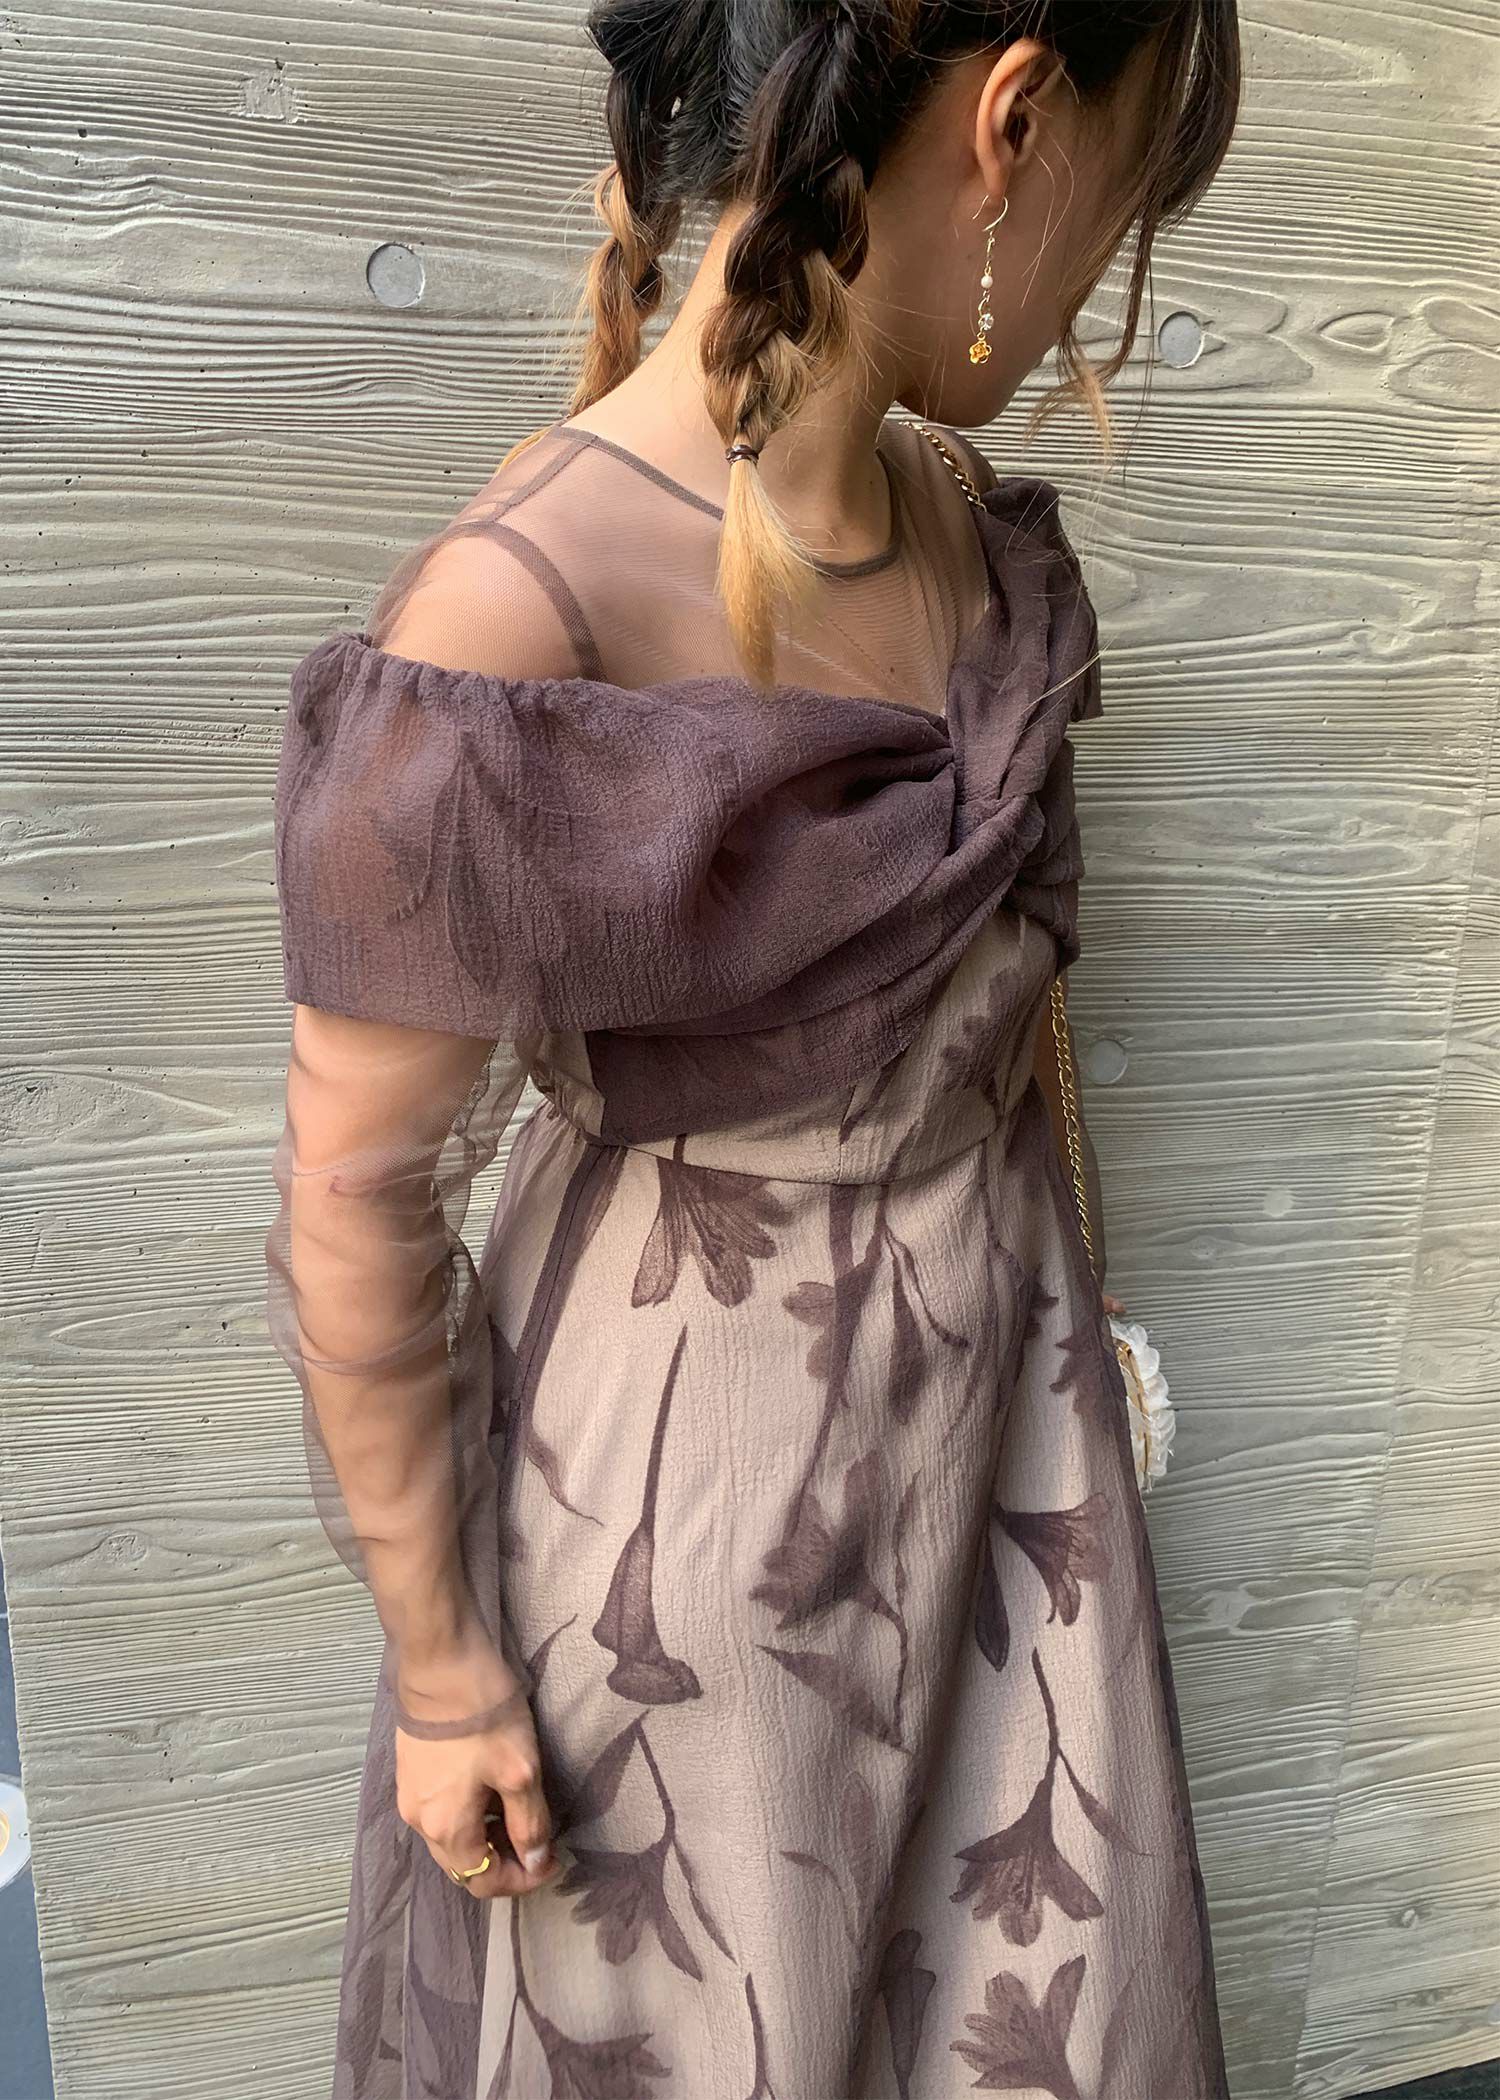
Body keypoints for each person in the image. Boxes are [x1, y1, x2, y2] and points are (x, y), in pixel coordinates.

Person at [265, 2, 1241, 2093]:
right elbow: (357, 1193)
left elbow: (1007, 1024)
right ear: (1013, 121)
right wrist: (446, 1672)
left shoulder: (954, 513)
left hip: (1004, 1450)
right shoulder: (516, 613)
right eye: (1128, 188)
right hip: (693, 1540)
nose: (1109, 277)